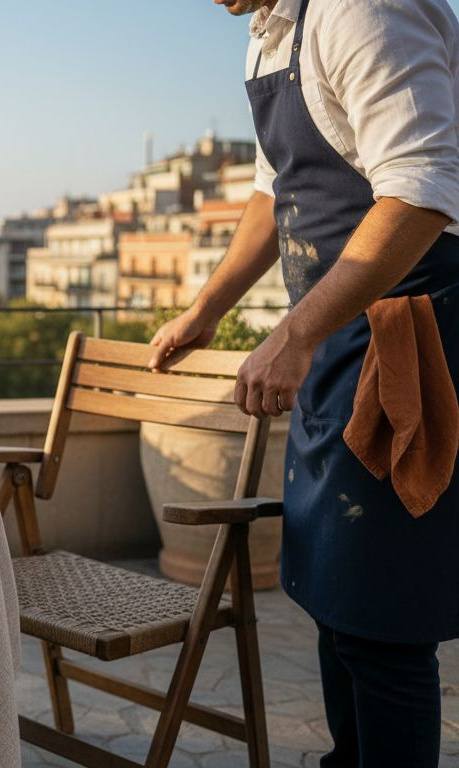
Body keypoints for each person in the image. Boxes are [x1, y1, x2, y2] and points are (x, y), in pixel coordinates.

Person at [152, 1, 459, 765]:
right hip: (335, 342)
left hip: (407, 342)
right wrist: (206, 310)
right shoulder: (270, 36)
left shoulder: (364, 9)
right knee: (335, 599)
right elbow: (272, 191)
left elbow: (421, 191)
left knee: (384, 618)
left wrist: (294, 333)